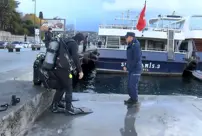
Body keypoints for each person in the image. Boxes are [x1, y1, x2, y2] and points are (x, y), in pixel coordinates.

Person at [51, 33, 85, 115]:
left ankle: (55, 105)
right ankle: (69, 109)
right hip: (64, 69)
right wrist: (80, 71)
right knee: (69, 87)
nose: (81, 43)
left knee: (61, 87)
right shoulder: (74, 44)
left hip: (56, 67)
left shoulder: (66, 41)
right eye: (81, 41)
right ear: (79, 40)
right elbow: (75, 57)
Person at [123, 32, 142, 105]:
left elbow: (136, 59)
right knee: (129, 85)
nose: (125, 39)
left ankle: (134, 101)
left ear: (131, 37)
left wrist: (128, 67)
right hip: (131, 69)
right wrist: (127, 66)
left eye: (126, 37)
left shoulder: (135, 45)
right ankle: (132, 98)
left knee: (132, 85)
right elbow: (130, 59)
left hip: (135, 69)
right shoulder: (131, 45)